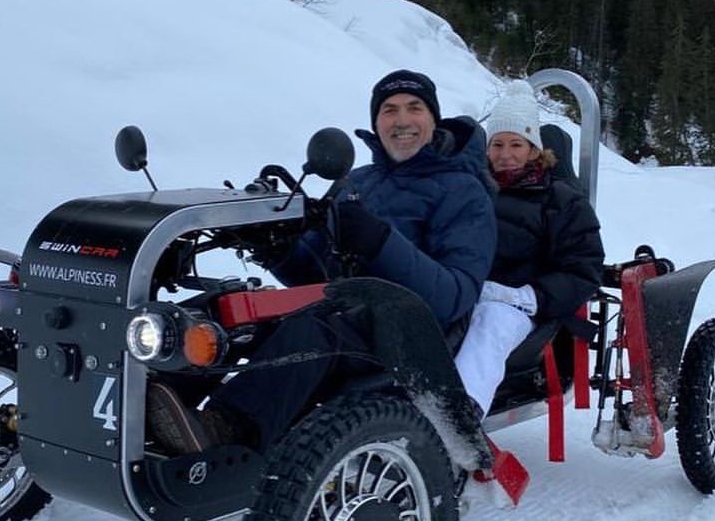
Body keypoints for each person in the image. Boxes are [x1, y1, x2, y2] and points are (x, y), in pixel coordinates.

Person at [148, 69, 498, 455]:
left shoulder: (464, 192)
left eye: (414, 108)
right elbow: (316, 271)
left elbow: (454, 298)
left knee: (313, 328)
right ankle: (153, 402)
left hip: (412, 334)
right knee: (225, 309)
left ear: (433, 118)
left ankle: (228, 429)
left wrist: (381, 242)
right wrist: (277, 248)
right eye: (389, 109)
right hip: (345, 307)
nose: (401, 120)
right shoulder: (359, 181)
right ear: (375, 122)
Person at [454, 79, 605, 419]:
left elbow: (584, 269)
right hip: (466, 290)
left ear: (534, 148)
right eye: (496, 145)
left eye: (515, 144)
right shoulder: (471, 191)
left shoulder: (561, 200)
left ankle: (460, 418)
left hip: (522, 307)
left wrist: (527, 295)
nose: (505, 155)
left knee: (489, 324)